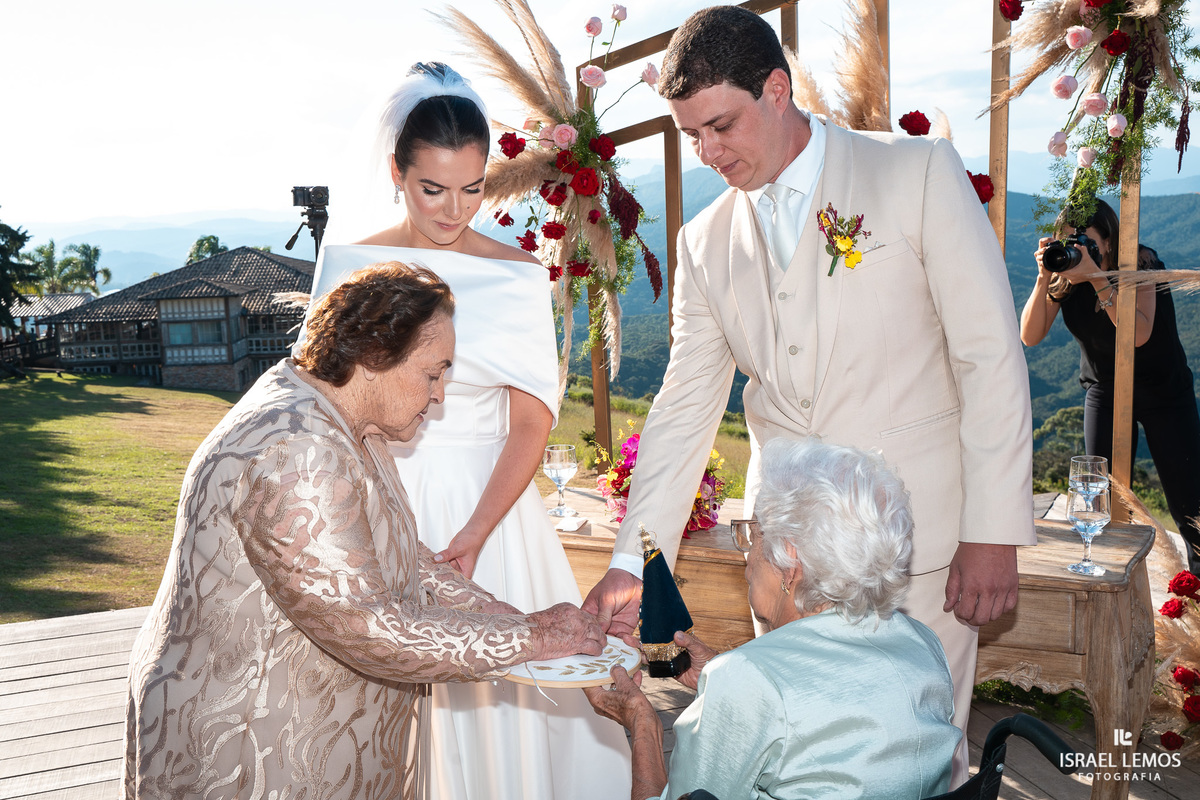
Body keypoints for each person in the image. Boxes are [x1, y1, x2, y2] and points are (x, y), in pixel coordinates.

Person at [581, 6, 1035, 785]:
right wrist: (633, 560)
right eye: (691, 136)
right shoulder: (702, 242)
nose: (708, 152)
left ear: (778, 90)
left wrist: (994, 530)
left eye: (721, 125)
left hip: (918, 552)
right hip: (784, 564)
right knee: (793, 759)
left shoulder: (915, 171)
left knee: (923, 760)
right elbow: (685, 405)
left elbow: (989, 355)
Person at [124, 263, 605, 799]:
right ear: (376, 358)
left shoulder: (348, 419)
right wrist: (531, 638)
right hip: (254, 742)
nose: (442, 394)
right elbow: (366, 625)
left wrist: (494, 612)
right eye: (433, 372)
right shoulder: (297, 448)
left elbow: (397, 553)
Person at [299, 62, 631, 800]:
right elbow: (320, 406)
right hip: (378, 499)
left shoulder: (515, 275)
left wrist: (478, 533)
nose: (454, 211)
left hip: (489, 511)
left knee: (493, 710)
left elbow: (531, 423)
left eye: (473, 188)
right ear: (395, 171)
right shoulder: (348, 267)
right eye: (432, 189)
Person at [586, 437, 961, 800]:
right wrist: (720, 679)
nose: (747, 558)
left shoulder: (746, 679)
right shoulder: (923, 644)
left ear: (790, 562)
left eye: (755, 535)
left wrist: (644, 725)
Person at [1021, 198, 1200, 574]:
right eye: (1068, 242)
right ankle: (1104, 580)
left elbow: (1137, 334)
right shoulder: (1065, 276)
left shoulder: (1139, 262)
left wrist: (1098, 278)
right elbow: (1030, 335)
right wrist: (1045, 277)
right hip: (1104, 388)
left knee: (1191, 508)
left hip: (1164, 391)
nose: (1076, 250)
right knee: (1098, 501)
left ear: (1109, 242)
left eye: (1085, 241)